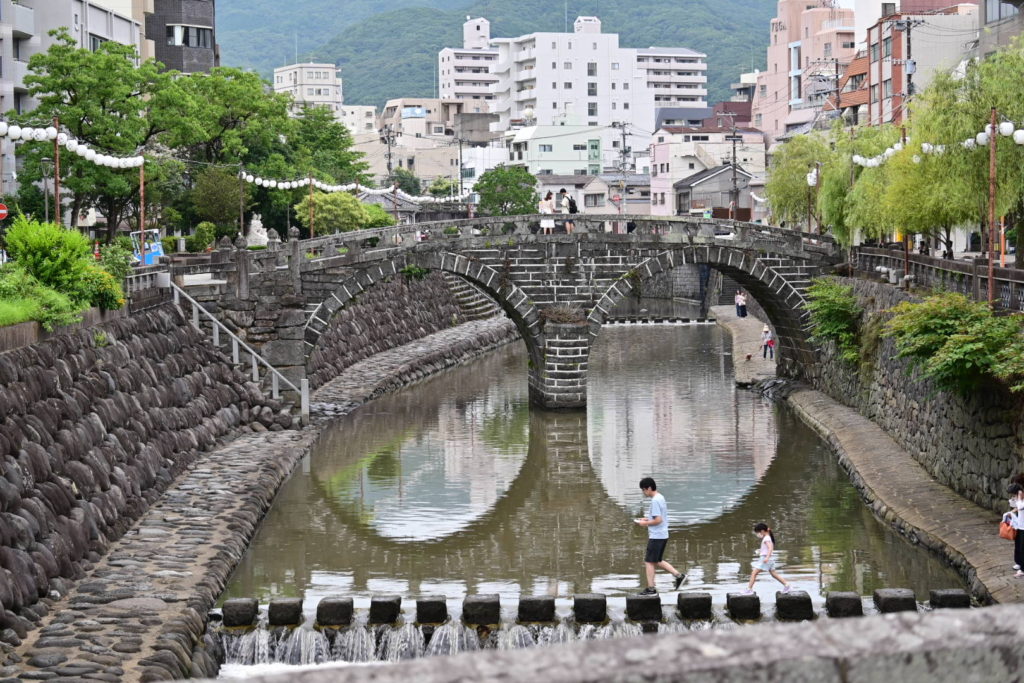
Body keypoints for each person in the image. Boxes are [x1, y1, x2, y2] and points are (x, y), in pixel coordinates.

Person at [634, 477, 686, 595]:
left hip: (657, 535)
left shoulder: (655, 501)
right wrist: (646, 518)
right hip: (662, 534)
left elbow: (658, 520)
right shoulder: (660, 497)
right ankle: (679, 576)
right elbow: (657, 517)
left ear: (649, 488)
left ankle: (651, 588)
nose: (644, 492)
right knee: (657, 560)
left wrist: (644, 523)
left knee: (649, 561)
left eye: (644, 490)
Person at [743, 523, 791, 594]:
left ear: (762, 531)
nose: (758, 535)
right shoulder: (768, 537)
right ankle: (787, 585)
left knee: (754, 573)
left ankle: (749, 589)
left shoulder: (766, 538)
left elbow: (770, 548)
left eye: (758, 533)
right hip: (769, 558)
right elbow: (769, 548)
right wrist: (761, 551)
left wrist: (767, 557)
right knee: (774, 574)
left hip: (765, 558)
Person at [1009, 484, 1024, 576]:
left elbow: (1021, 506)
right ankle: (1019, 562)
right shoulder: (1019, 498)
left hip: (1023, 526)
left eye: (1015, 494)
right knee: (1018, 545)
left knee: (1023, 547)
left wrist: (1018, 498)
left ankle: (1023, 569)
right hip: (1019, 525)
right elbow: (1015, 506)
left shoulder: (1021, 498)